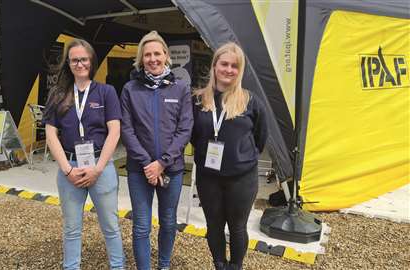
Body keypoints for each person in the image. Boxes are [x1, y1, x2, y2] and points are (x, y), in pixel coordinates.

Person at [43, 38, 125, 270]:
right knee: (71, 228)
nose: (79, 64)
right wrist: (67, 170)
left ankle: (118, 267)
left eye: (84, 59)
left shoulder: (106, 92)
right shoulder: (58, 94)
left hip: (101, 166)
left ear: (92, 62)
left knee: (110, 225)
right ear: (68, 64)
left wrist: (98, 169)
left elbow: (115, 131)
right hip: (69, 167)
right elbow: (51, 135)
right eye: (74, 60)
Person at [191, 42, 268, 270]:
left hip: (241, 178)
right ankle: (219, 264)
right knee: (214, 225)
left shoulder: (250, 101)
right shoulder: (197, 100)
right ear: (214, 66)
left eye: (234, 66)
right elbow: (194, 136)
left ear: (240, 70)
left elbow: (261, 136)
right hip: (209, 178)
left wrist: (242, 158)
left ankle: (235, 266)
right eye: (224, 64)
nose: (229, 70)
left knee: (237, 227)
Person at [120, 31, 193, 270]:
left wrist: (162, 162)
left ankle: (163, 265)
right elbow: (127, 129)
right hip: (138, 169)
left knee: (169, 222)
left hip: (171, 168)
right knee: (141, 224)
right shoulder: (130, 89)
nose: (152, 59)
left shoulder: (180, 88)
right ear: (141, 59)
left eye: (157, 53)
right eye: (147, 54)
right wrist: (146, 163)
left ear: (166, 56)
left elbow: (185, 128)